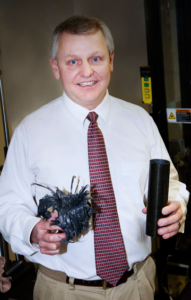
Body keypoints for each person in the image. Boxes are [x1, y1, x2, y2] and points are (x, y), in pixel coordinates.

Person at [0, 15, 189, 300]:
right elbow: (7, 205)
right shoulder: (29, 131)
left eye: (96, 58)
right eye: (73, 61)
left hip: (137, 285)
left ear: (111, 60)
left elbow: (170, 184)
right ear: (55, 67)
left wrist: (176, 204)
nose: (87, 71)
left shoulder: (140, 120)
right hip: (62, 290)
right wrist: (31, 231)